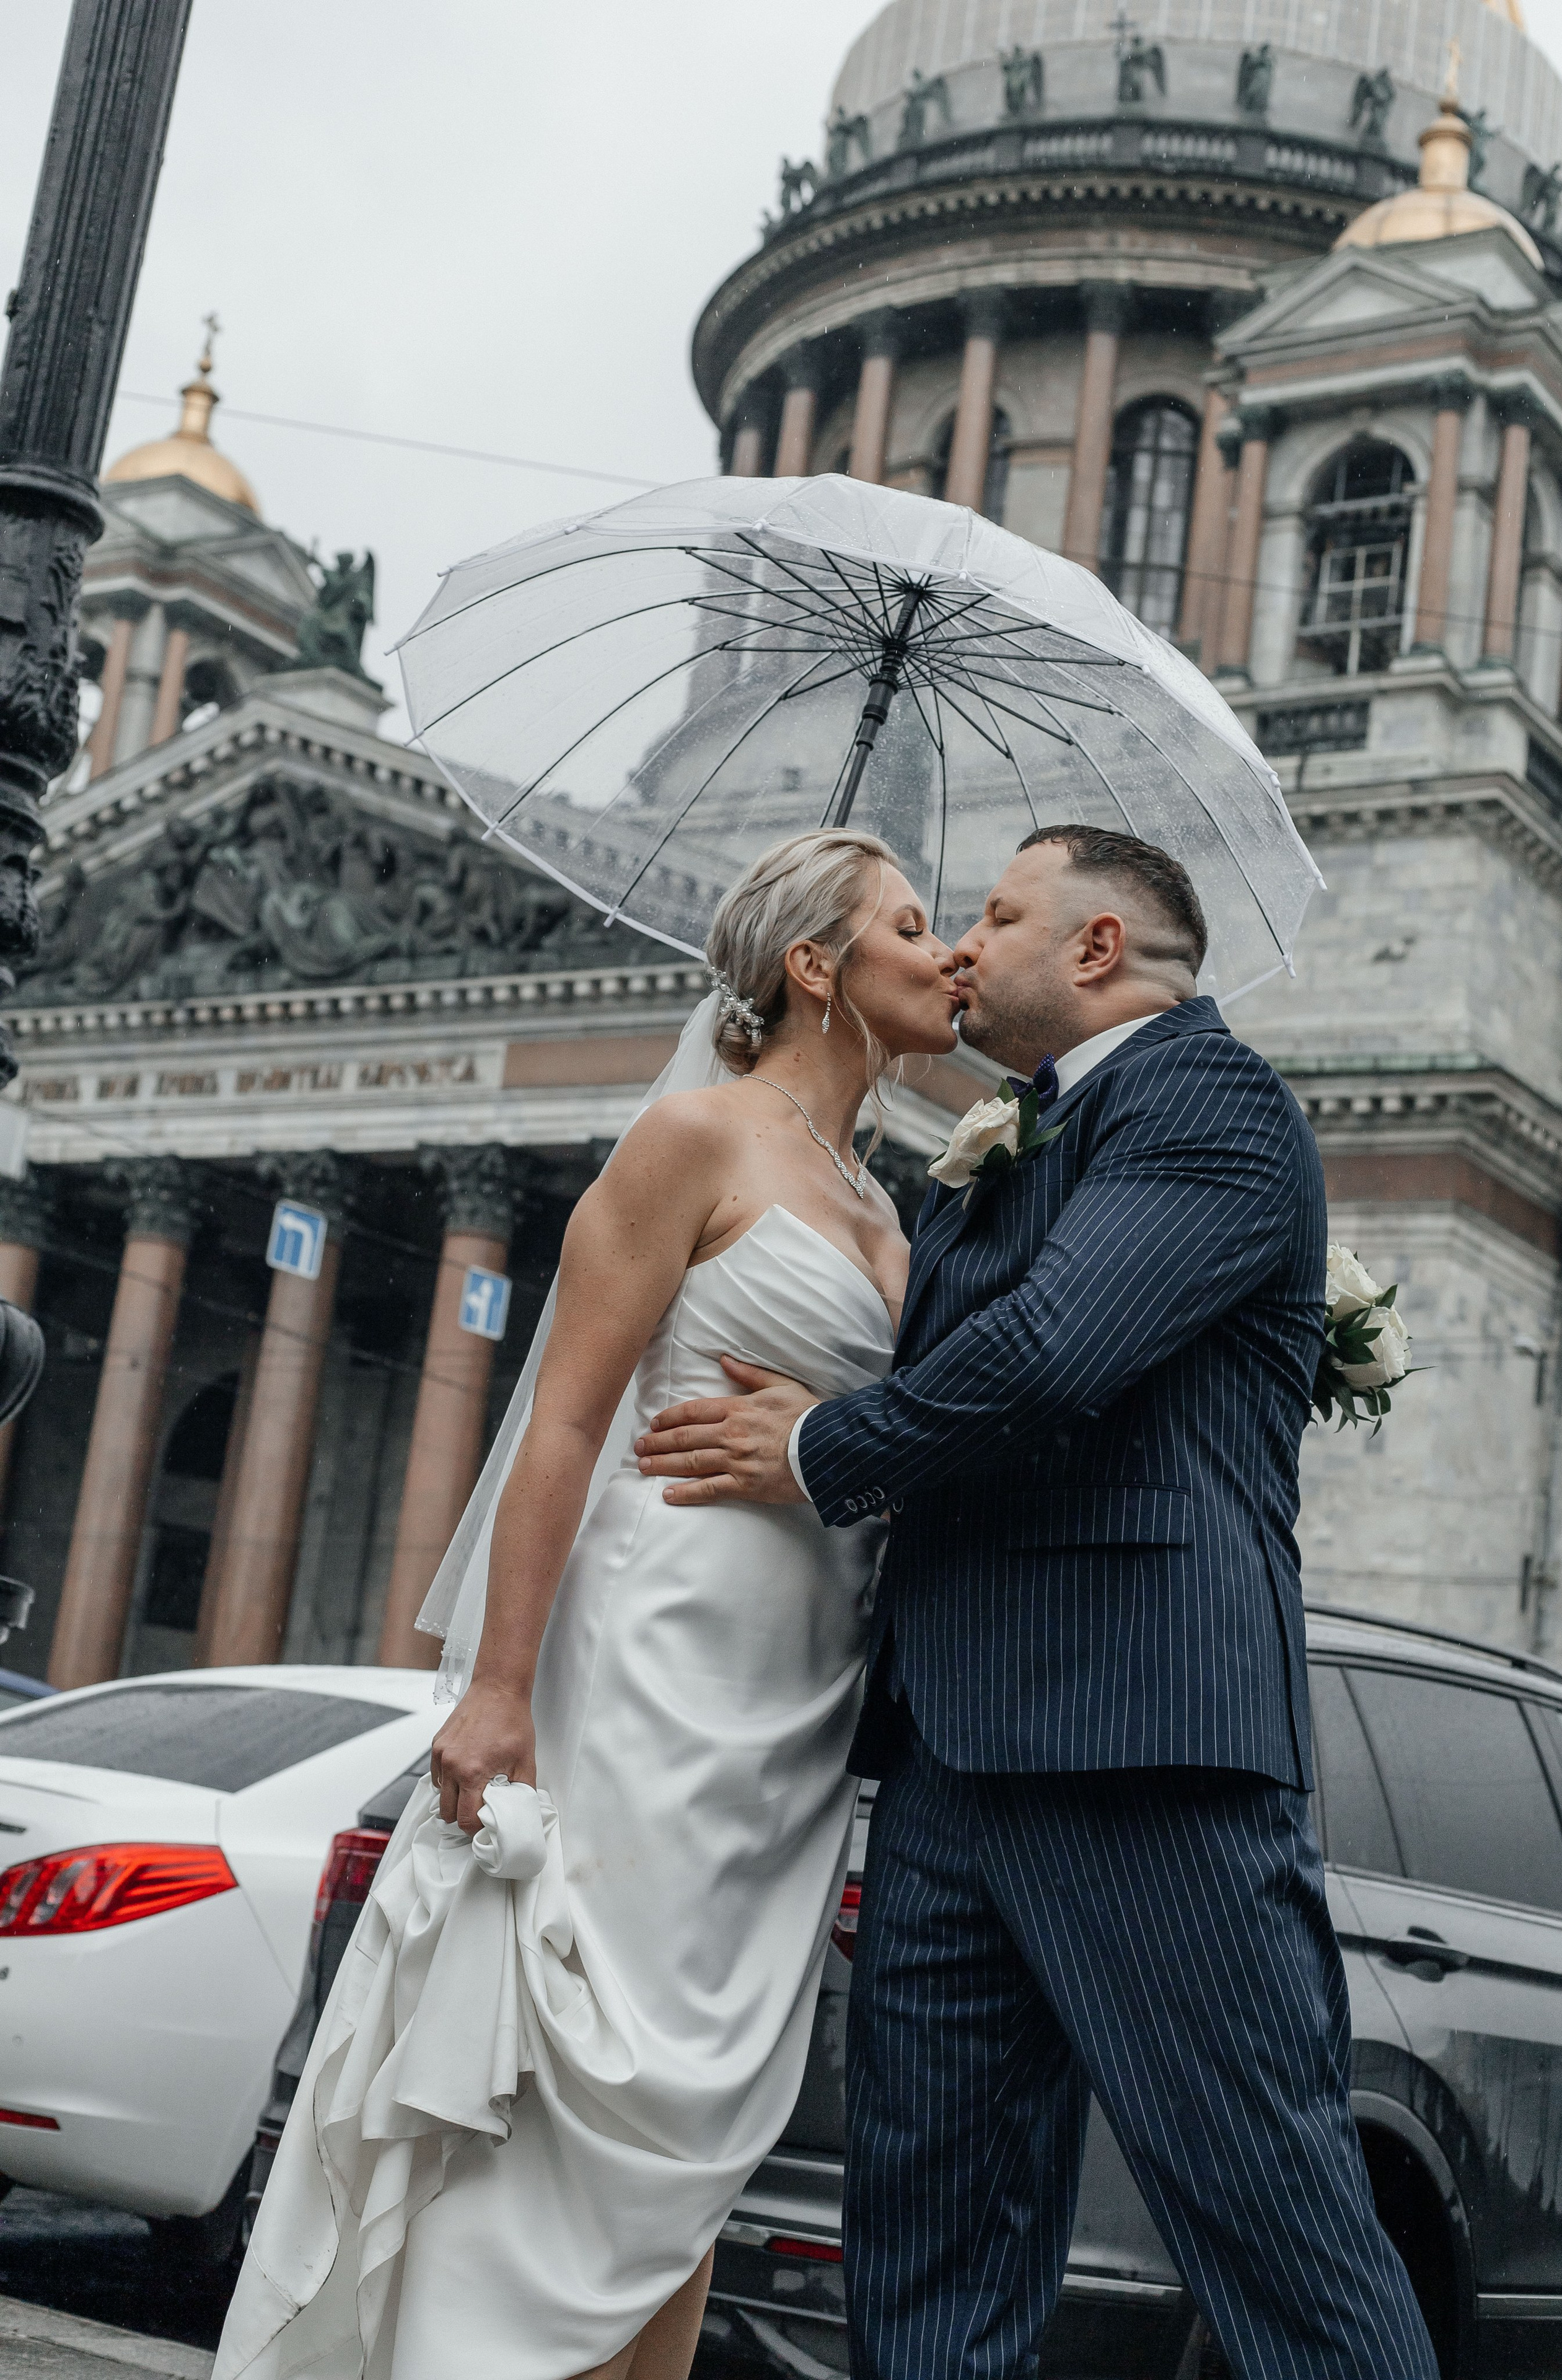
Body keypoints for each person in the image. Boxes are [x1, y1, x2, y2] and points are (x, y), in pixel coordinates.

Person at [636, 823, 1439, 2379]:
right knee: (926, 2243)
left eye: (993, 916)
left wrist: (813, 1443)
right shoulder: (1014, 1136)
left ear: (1091, 949)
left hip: (1143, 1758)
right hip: (944, 1761)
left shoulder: (1211, 1106)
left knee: (1273, 2235)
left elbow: (1054, 1355)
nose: (959, 948)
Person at [214, 829, 960, 2380]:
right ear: (813, 967)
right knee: (569, 2080)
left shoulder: (895, 1214)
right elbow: (563, 1421)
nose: (946, 951)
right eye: (909, 923)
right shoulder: (692, 1137)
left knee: (694, 2128)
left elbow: (886, 1450)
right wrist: (495, 1688)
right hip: (645, 1658)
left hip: (796, 1700)